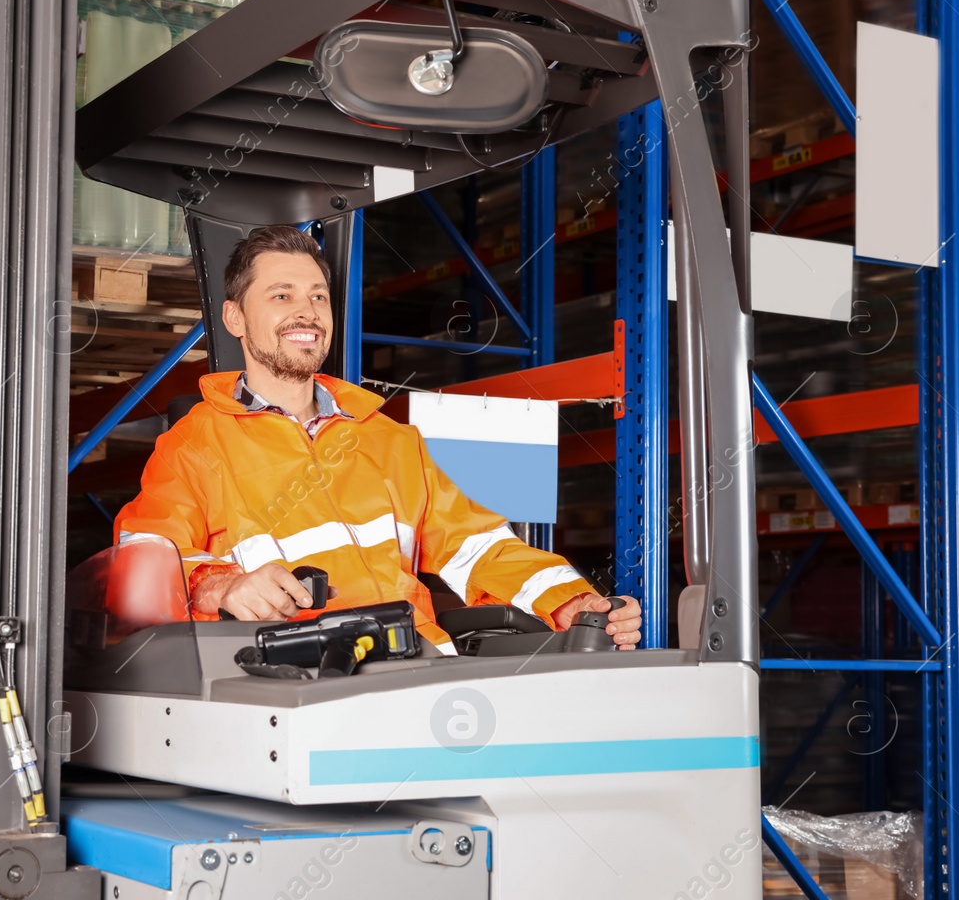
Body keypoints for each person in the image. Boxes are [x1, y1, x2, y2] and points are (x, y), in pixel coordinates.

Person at [113, 224, 643, 652]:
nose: (308, 312)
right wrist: (222, 586)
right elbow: (146, 560)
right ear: (235, 318)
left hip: (416, 672)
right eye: (282, 295)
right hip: (286, 679)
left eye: (318, 297)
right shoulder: (195, 445)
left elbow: (477, 546)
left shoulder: (391, 439)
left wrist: (569, 600)